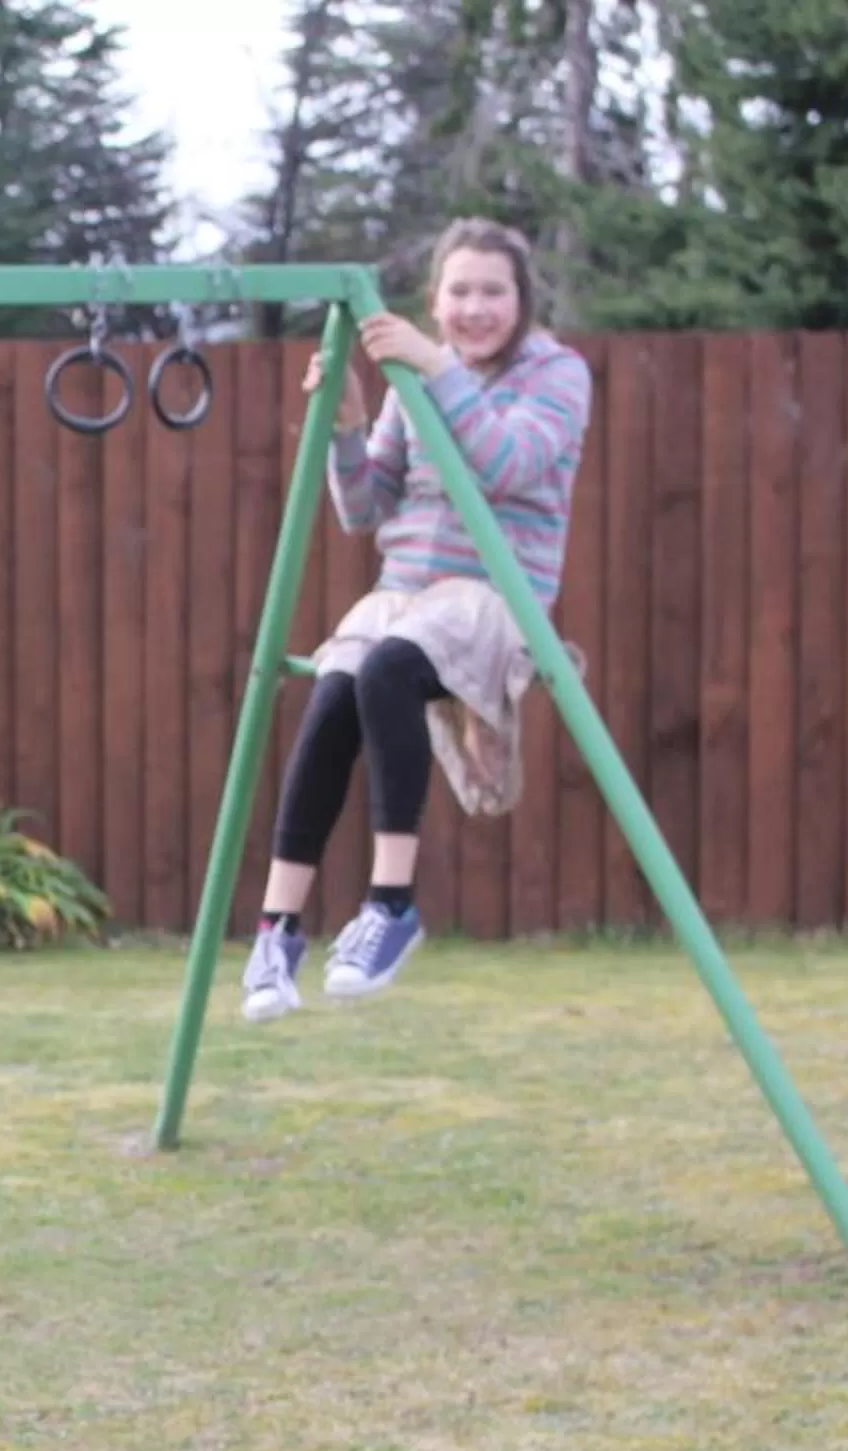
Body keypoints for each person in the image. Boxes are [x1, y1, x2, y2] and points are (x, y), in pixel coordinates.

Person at [242, 217, 593, 1021]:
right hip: (406, 591)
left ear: (522, 299)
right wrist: (348, 427)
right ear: (435, 300)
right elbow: (366, 509)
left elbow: (509, 464)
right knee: (335, 689)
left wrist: (437, 369)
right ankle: (278, 927)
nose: (474, 309)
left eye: (492, 292)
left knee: (388, 665)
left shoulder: (557, 376)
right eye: (459, 292)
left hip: (495, 595)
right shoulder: (412, 382)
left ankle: (392, 904)